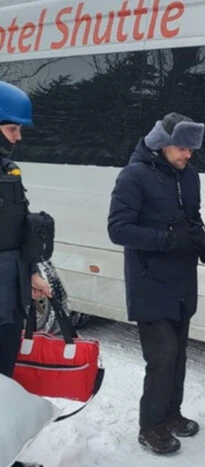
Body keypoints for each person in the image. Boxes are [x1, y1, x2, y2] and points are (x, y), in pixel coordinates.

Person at [107, 112, 205, 455]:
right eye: (182, 147)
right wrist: (165, 239)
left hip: (181, 282)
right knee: (162, 356)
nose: (188, 154)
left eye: (192, 148)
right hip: (149, 281)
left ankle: (171, 414)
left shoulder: (188, 176)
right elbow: (118, 229)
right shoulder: (134, 176)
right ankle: (150, 426)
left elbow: (192, 225)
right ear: (162, 143)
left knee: (178, 355)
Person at [0, 81, 53, 467]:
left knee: (4, 374)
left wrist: (32, 271)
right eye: (11, 129)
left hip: (11, 285)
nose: (17, 138)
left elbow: (18, 226)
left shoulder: (9, 172)